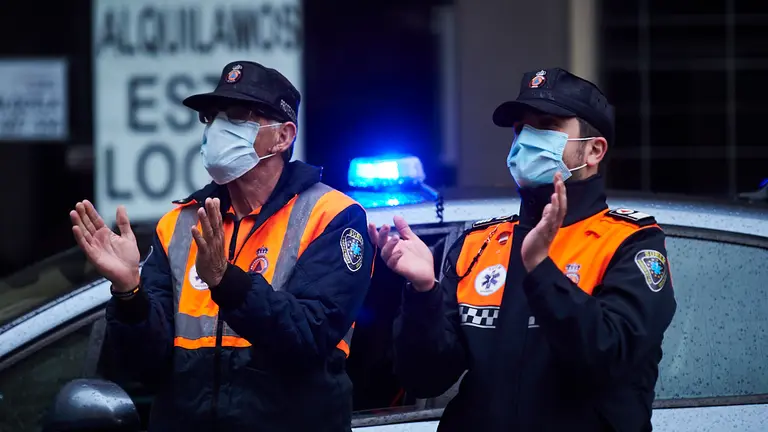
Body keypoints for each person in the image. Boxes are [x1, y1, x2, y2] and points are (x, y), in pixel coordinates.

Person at [70, 61, 374, 431]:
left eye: (236, 115)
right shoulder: (179, 225)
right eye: (211, 117)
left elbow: (309, 338)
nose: (216, 128)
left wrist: (227, 282)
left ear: (283, 136)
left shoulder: (332, 217)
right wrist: (129, 292)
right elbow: (145, 366)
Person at [369, 68, 677, 431]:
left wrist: (540, 269)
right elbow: (426, 379)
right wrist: (423, 292)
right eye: (520, 129)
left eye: (547, 126)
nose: (527, 141)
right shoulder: (479, 244)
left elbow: (607, 359)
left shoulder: (630, 242)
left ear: (594, 150)